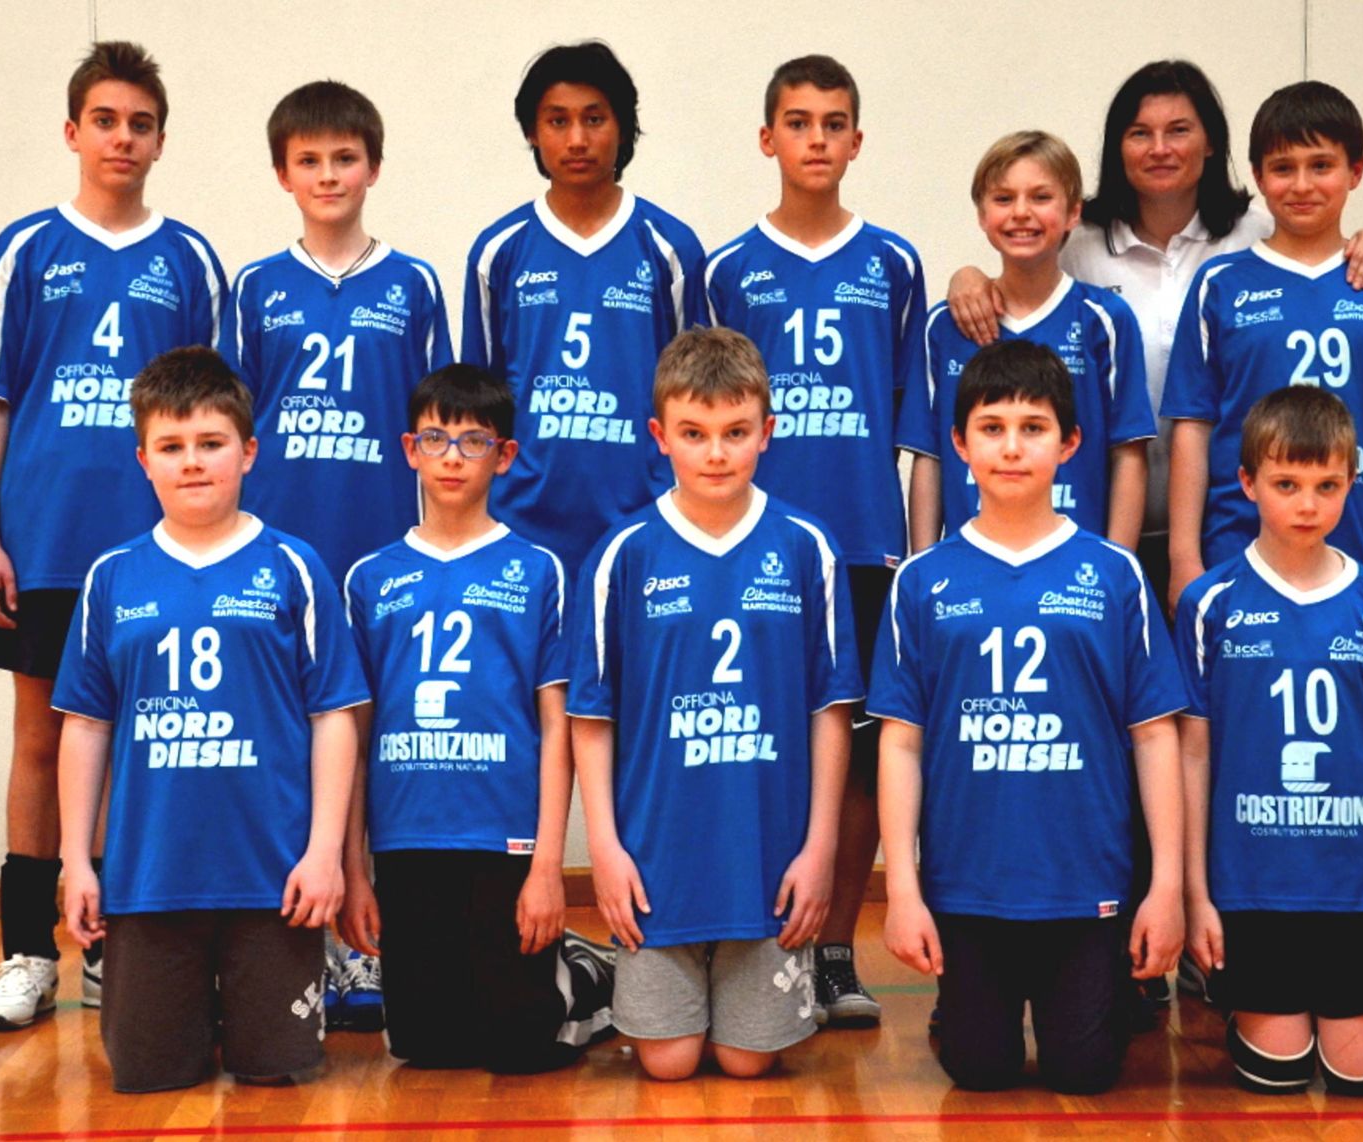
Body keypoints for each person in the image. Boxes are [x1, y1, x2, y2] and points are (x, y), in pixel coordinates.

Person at [0, 41, 226, 1030]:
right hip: (48, 544)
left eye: (140, 124)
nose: (122, 138)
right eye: (105, 120)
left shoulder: (189, 260)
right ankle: (28, 952)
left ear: (161, 141)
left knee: (140, 744)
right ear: (73, 131)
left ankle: (117, 948)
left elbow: (209, 412)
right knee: (40, 739)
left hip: (155, 551)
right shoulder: (25, 249)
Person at [944, 60, 1363, 610]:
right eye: (1140, 133)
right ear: (1118, 147)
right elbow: (1020, 274)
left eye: (1179, 130)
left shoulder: (1253, 235)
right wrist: (966, 276)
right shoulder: (1079, 242)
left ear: (1211, 142)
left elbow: (1320, 251)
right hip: (1098, 515)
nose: (1159, 148)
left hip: (1222, 522)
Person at [874, 340, 1186, 1093]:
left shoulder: (1114, 574)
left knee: (1086, 1072)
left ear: (1070, 443)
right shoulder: (921, 581)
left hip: (1087, 882)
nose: (1011, 447)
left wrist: (1167, 886)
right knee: (978, 1071)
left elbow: (1154, 734)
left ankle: (1108, 992)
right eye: (992, 428)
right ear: (959, 443)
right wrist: (903, 891)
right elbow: (901, 744)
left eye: (1033, 427)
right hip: (966, 886)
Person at [54, 347, 368, 1092]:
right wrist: (75, 860)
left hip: (273, 882)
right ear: (144, 461)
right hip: (149, 879)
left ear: (248, 452)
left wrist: (324, 852)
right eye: (171, 447)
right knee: (149, 1077)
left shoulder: (294, 567)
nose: (192, 462)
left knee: (279, 1074)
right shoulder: (112, 576)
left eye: (211, 443)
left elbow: (334, 716)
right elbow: (87, 726)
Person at [219, 78, 454, 1028]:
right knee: (286, 741)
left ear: (374, 167)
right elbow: (228, 419)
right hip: (282, 548)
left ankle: (365, 940)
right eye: (309, 160)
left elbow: (438, 423)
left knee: (369, 739)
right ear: (283, 173)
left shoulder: (414, 285)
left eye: (344, 158)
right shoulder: (254, 287)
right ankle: (290, 943)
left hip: (377, 545)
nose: (328, 175)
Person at [568, 327, 861, 1080]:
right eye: (694, 434)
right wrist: (605, 850)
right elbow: (591, 719)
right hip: (656, 860)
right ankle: (597, 972)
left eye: (736, 432)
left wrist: (820, 849)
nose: (716, 453)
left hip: (768, 858)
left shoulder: (807, 546)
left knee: (746, 1061)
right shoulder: (622, 553)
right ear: (660, 436)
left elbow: (830, 712)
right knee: (667, 1063)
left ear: (767, 431)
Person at [703, 53, 926, 1027]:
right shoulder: (726, 270)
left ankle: (833, 948)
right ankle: (752, 936)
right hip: (754, 551)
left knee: (864, 756)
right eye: (798, 122)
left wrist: (918, 549)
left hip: (866, 547)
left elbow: (914, 420)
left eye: (834, 123)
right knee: (762, 741)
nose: (817, 139)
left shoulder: (894, 263)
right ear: (768, 139)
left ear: (857, 140)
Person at [338, 364, 616, 1072]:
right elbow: (352, 741)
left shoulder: (539, 571)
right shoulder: (369, 578)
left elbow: (556, 728)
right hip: (407, 837)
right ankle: (553, 968)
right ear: (410, 450)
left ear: (506, 455)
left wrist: (548, 866)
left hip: (506, 841)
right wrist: (355, 870)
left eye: (474, 441)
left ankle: (591, 977)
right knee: (425, 1048)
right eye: (436, 439)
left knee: (520, 1048)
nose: (453, 457)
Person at [1175, 386, 1363, 1096]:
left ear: (1352, 483)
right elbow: (1191, 754)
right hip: (1250, 890)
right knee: (1277, 1075)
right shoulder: (1210, 604)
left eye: (1327, 485)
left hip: (1360, 889)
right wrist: (1198, 896)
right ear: (1247, 482)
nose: (1307, 504)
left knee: (1359, 1078)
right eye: (1286, 484)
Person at [1162, 80, 1363, 620]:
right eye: (1283, 168)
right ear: (1258, 177)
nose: (1302, 185)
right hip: (1239, 546)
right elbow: (1193, 426)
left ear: (1356, 171)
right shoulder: (1220, 284)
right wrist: (1183, 557)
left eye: (1321, 166)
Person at [461, 40, 707, 577]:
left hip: (645, 521)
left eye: (594, 119)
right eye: (557, 121)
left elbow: (699, 399)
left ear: (623, 127)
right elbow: (477, 402)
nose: (577, 139)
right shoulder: (498, 250)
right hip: (520, 526)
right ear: (532, 132)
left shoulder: (671, 247)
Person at [905, 131, 1153, 552]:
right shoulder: (945, 325)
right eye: (1003, 199)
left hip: (1077, 561)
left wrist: (1118, 566)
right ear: (982, 215)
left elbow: (1128, 452)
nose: (1021, 213)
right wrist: (922, 562)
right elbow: (929, 456)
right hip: (969, 562)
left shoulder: (1106, 320)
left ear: (1073, 212)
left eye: (1041, 197)